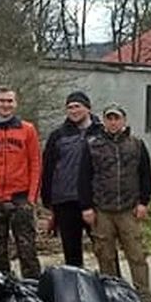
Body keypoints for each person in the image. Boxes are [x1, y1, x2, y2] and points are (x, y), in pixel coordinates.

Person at [86, 103, 151, 302]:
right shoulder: (92, 145)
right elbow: (84, 177)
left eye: (117, 118)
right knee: (106, 257)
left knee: (137, 255)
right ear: (103, 121)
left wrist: (143, 203)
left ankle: (145, 299)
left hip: (129, 209)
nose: (113, 122)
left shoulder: (136, 145)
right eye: (109, 118)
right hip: (102, 210)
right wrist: (87, 207)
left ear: (124, 121)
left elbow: (146, 176)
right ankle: (113, 300)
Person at [0, 86, 43, 276]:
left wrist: (31, 199)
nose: (6, 105)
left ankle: (33, 290)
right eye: (2, 101)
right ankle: (2, 291)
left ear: (16, 103)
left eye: (10, 101)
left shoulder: (27, 130)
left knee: (27, 249)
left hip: (20, 198)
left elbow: (36, 164)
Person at [41, 90, 100, 267]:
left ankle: (111, 287)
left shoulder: (101, 132)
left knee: (103, 249)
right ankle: (76, 290)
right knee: (71, 253)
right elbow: (48, 168)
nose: (74, 111)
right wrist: (48, 201)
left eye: (77, 106)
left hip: (94, 200)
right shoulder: (58, 135)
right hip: (65, 200)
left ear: (88, 108)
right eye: (70, 107)